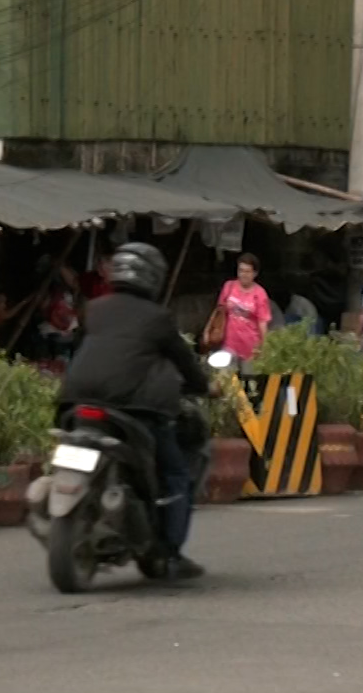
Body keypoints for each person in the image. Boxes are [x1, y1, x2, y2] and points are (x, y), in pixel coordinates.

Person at [58, 242, 215, 580]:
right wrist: (204, 386)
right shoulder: (157, 317)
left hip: (76, 401)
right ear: (153, 276)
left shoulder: (95, 309)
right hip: (133, 408)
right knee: (175, 475)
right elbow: (184, 361)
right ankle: (170, 554)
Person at [216, 253, 271, 371]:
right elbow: (220, 310)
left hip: (251, 349)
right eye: (241, 270)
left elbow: (263, 323)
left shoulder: (260, 294)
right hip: (230, 344)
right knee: (228, 383)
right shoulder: (229, 286)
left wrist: (265, 348)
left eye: (247, 271)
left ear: (255, 274)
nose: (243, 275)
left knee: (249, 384)